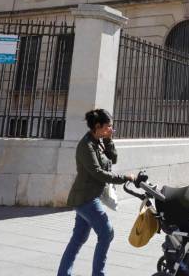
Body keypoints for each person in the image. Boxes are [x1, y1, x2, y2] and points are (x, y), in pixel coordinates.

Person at [57, 109, 135, 276]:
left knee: (78, 239)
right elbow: (98, 172)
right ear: (98, 126)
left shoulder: (98, 141)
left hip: (89, 197)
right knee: (107, 233)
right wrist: (125, 177)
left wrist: (108, 140)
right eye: (108, 127)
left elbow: (112, 159)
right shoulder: (86, 145)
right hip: (85, 198)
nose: (111, 130)